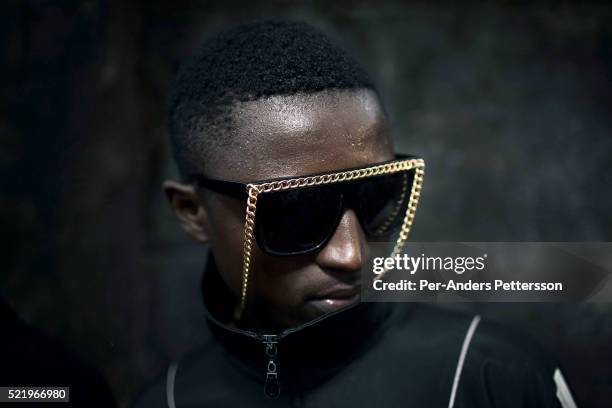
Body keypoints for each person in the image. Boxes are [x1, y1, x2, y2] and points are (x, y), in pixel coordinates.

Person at [134, 19, 578, 407]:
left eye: (375, 195)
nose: (353, 255)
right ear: (192, 212)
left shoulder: (493, 377)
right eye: (296, 211)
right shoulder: (167, 401)